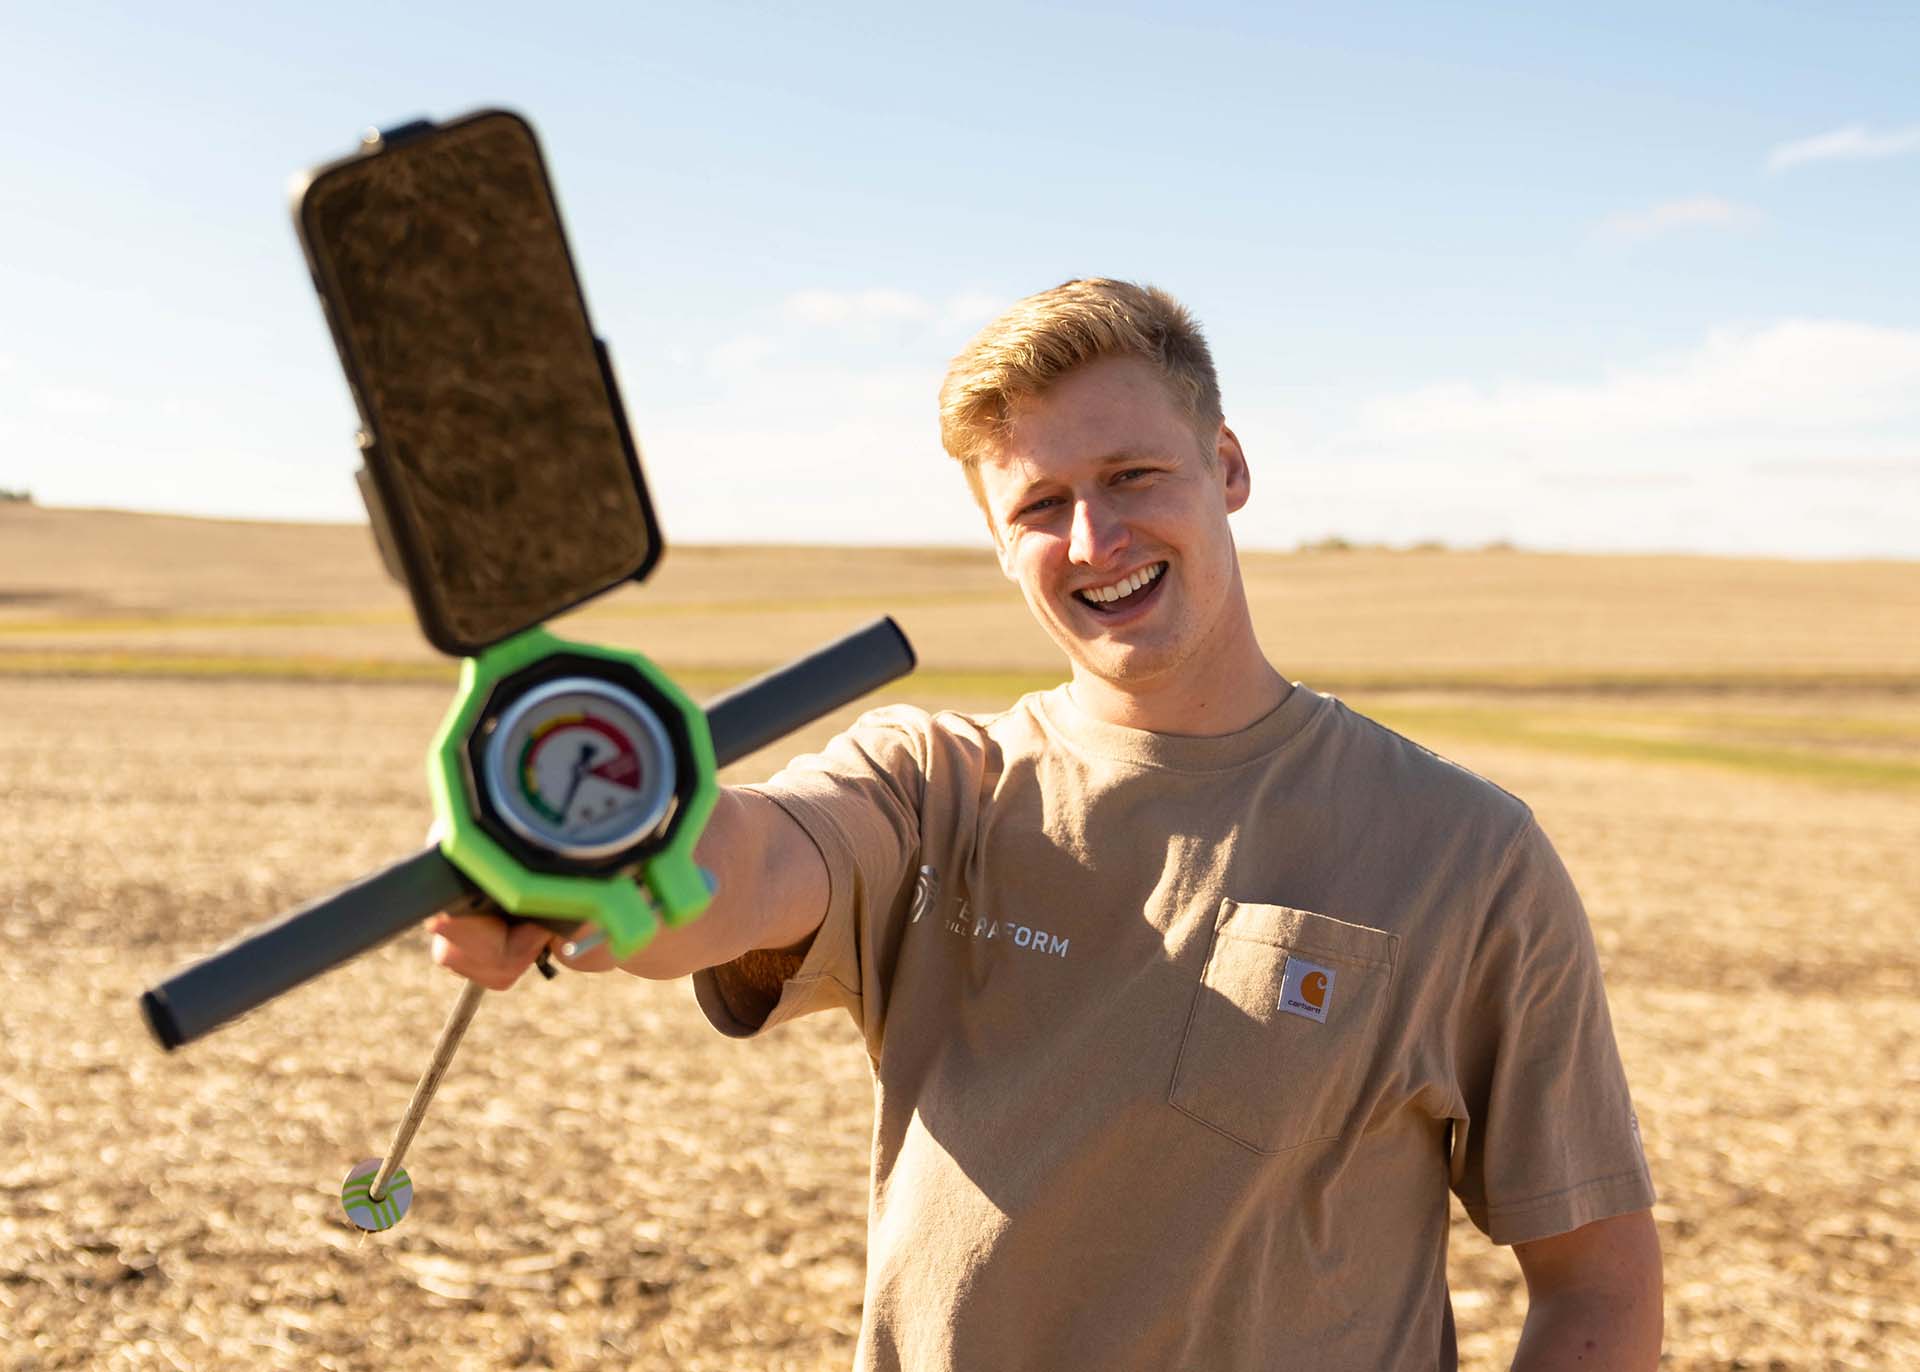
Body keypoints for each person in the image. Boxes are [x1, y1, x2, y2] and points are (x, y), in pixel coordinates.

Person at [428, 278, 1663, 1370]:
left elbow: (1598, 1289)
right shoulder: (933, 783)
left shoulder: (1464, 850)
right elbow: (739, 867)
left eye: (1134, 477)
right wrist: (589, 856)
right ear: (994, 537)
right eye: (1039, 505)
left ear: (1225, 466)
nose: (1094, 540)